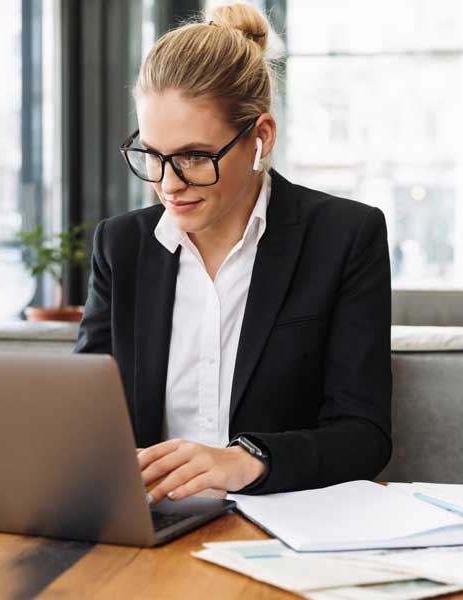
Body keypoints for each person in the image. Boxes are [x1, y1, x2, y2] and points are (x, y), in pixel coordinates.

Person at [74, 3, 392, 504]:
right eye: (152, 156)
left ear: (260, 138)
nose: (168, 184)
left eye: (195, 157)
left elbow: (363, 435)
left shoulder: (345, 237)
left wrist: (243, 460)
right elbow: (83, 412)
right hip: (148, 522)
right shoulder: (122, 246)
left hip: (276, 526)